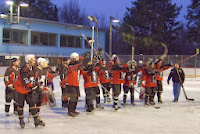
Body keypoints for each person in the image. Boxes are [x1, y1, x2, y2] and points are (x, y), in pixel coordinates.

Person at [14, 54, 45, 128]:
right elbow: (25, 81)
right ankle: (21, 120)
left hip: (28, 89)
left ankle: (36, 119)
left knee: (32, 104)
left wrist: (37, 83)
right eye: (33, 60)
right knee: (21, 105)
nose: (34, 61)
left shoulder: (34, 68)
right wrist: (31, 86)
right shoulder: (24, 69)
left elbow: (33, 79)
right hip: (21, 89)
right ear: (28, 61)